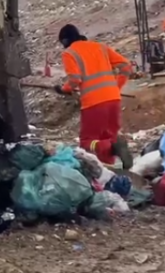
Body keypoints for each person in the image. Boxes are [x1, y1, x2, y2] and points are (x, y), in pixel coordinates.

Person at [54, 24, 134, 168]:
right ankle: (109, 167)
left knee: (87, 142)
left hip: (93, 104)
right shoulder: (100, 47)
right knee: (108, 137)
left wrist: (64, 89)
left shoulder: (69, 53)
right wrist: (116, 87)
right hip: (113, 99)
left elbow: (75, 79)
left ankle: (111, 149)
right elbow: (126, 66)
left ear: (65, 41)